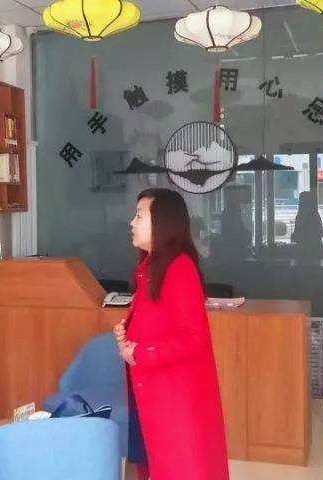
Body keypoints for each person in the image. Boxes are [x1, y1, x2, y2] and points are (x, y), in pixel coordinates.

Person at [113, 188, 229, 480]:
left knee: (180, 468)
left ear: (162, 223)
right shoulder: (149, 269)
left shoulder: (179, 270)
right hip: (150, 393)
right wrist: (126, 333)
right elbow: (157, 325)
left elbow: (194, 338)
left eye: (139, 215)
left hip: (173, 400)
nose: (132, 222)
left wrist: (140, 353)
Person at [291, 191, 323, 263]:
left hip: (306, 252)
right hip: (313, 251)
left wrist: (295, 236)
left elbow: (298, 234)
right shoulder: (314, 215)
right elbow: (320, 233)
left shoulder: (303, 216)